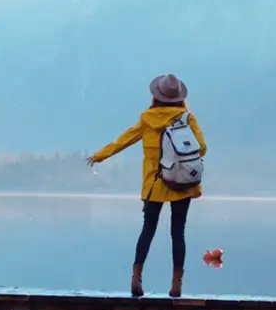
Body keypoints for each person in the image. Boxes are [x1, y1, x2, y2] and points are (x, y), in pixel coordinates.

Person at [87, 73, 206, 298]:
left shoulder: (147, 119)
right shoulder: (187, 119)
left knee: (147, 231)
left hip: (154, 184)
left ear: (156, 97)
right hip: (182, 182)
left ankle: (136, 280)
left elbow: (124, 140)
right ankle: (176, 285)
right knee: (178, 233)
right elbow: (202, 147)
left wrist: (99, 156)